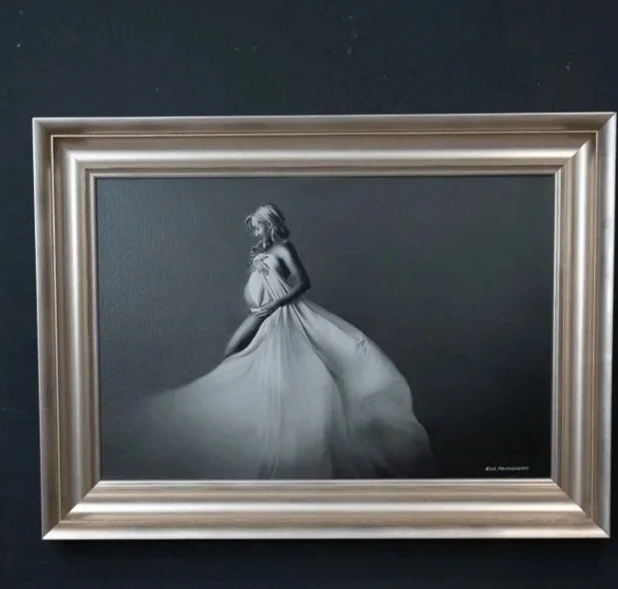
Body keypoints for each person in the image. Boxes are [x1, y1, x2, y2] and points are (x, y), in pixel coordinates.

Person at [125, 203, 433, 479]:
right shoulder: (260, 253)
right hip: (263, 313)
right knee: (233, 351)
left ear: (269, 224)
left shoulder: (285, 248)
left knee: (283, 366)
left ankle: (289, 431)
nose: (255, 232)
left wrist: (274, 303)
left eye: (258, 227)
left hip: (282, 312)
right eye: (253, 228)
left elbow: (303, 282)